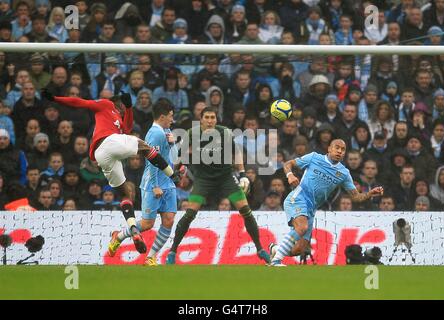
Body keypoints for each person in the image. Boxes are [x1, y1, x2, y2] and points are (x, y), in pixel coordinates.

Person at [40, 89, 177, 255]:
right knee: (146, 148)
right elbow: (80, 102)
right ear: (115, 103)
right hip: (107, 143)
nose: (120, 108)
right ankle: (172, 174)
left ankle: (132, 230)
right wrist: (55, 97)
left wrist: (129, 108)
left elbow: (126, 129)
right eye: (121, 105)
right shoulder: (105, 105)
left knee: (126, 193)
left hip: (105, 157)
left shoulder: (119, 118)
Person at [165, 107, 271, 264]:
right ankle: (172, 251)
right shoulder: (192, 134)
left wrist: (242, 174)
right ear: (201, 119)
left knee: (245, 210)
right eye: (206, 117)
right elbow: (181, 155)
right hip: (203, 179)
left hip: (225, 178)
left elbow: (236, 153)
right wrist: (174, 173)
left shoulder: (225, 132)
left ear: (216, 119)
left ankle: (260, 249)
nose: (209, 121)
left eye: (212, 117)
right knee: (189, 214)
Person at [269, 139, 383, 266]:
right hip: (298, 198)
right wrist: (290, 175)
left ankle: (275, 250)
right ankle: (276, 261)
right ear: (329, 149)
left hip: (311, 209)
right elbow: (288, 164)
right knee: (302, 227)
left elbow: (356, 197)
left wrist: (369, 193)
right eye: (337, 147)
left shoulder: (344, 173)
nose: (339, 151)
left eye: (343, 149)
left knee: (300, 249)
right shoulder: (314, 157)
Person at [108, 99, 180, 266]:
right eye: (170, 116)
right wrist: (155, 185)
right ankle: (118, 236)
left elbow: (173, 157)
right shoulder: (155, 134)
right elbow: (152, 161)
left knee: (169, 220)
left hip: (168, 182)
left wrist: (173, 143)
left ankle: (151, 257)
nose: (172, 119)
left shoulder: (166, 131)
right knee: (148, 223)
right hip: (152, 184)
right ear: (162, 116)